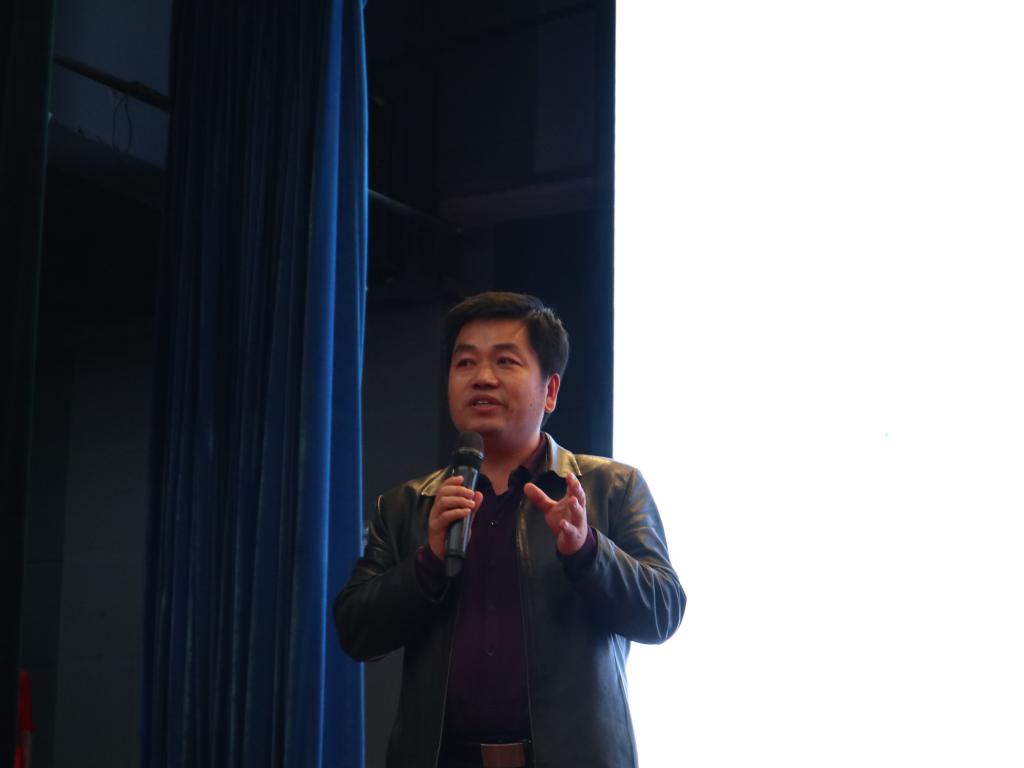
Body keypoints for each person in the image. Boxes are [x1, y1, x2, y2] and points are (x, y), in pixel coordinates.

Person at [335, 292, 685, 768]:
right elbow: (355, 632)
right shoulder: (408, 504)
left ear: (550, 390)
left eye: (505, 361)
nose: (482, 377)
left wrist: (588, 550)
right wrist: (427, 563)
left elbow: (662, 612)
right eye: (465, 363)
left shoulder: (610, 487)